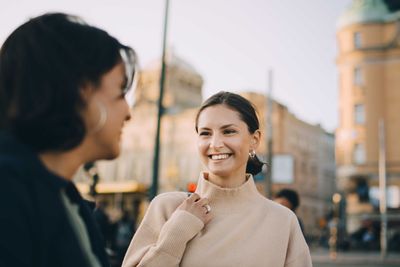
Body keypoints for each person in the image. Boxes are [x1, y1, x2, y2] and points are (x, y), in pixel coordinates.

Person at [0, 13, 137, 267]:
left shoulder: (68, 200)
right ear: (82, 91)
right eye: (120, 92)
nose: (128, 112)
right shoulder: (9, 192)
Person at [122, 91, 312, 267]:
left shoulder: (283, 221)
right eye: (205, 133)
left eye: (228, 131)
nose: (215, 144)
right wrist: (177, 232)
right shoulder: (167, 207)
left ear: (254, 140)